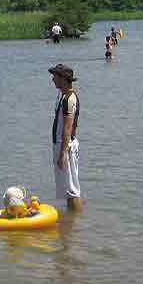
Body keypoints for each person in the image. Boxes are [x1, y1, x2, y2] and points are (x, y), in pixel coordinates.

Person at [48, 64, 83, 211]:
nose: (53, 79)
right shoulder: (63, 96)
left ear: (63, 79)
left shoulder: (70, 98)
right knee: (68, 190)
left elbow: (67, 127)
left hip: (65, 146)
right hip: (63, 145)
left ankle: (74, 227)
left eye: (55, 76)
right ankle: (71, 225)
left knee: (71, 191)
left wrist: (63, 153)